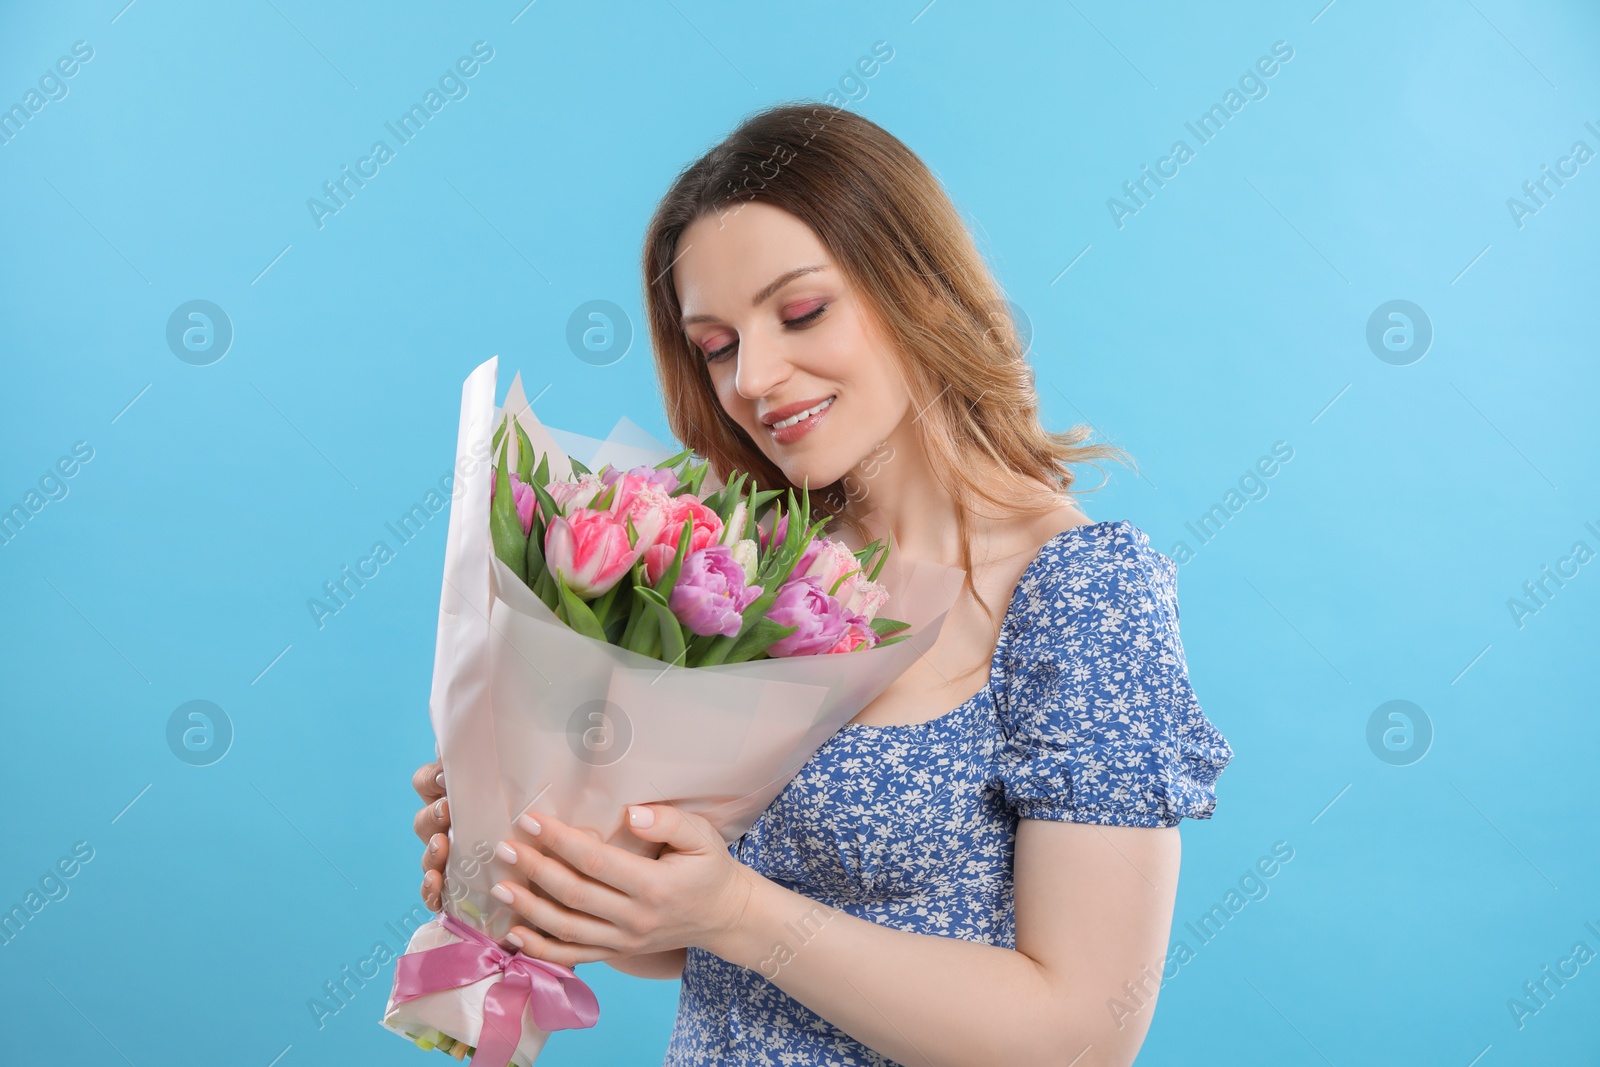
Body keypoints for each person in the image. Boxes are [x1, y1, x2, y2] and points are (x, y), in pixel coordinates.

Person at [412, 102, 1234, 1066]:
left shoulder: (1083, 590)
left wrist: (738, 912)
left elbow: (1082, 1035)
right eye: (715, 346)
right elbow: (693, 937)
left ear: (917, 288)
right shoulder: (742, 565)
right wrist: (556, 874)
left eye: (801, 312)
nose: (754, 377)